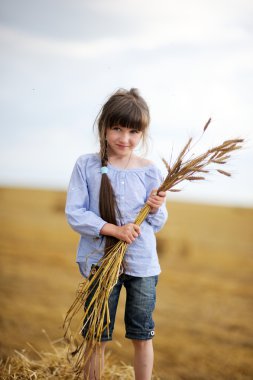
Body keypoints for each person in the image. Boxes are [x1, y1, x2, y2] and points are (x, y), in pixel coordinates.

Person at [65, 88, 168, 380]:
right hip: (101, 261)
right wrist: (114, 230)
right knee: (96, 335)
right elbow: (75, 212)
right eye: (117, 128)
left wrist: (157, 207)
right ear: (104, 127)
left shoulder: (150, 171)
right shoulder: (87, 165)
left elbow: (157, 224)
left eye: (134, 131)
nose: (125, 138)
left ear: (143, 133)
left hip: (143, 265)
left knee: (142, 334)